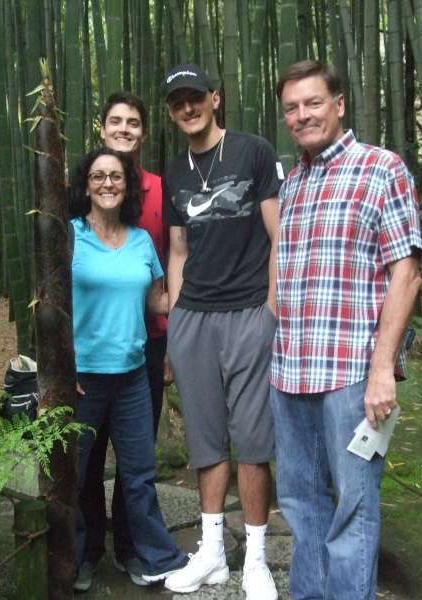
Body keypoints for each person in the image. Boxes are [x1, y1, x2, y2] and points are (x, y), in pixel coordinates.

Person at [270, 59, 422, 600]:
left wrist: (383, 369)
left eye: (313, 103)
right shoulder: (292, 183)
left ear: (338, 104)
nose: (302, 115)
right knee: (301, 508)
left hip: (350, 378)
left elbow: (405, 270)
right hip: (290, 373)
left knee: (352, 511)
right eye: (291, 107)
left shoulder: (381, 168)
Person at [160, 64, 282, 600]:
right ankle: (211, 553)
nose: (187, 108)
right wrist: (175, 321)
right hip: (194, 318)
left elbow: (280, 234)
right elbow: (179, 250)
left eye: (195, 98)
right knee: (206, 437)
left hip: (249, 312)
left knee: (253, 440)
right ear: (171, 111)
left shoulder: (254, 152)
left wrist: (273, 309)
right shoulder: (174, 170)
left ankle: (256, 558)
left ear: (216, 98)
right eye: (177, 102)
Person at [70, 147, 186, 590]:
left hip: (134, 374)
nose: (107, 183)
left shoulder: (140, 239)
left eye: (115, 176)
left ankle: (152, 554)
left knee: (138, 474)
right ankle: (77, 556)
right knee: (77, 475)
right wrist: (60, 371)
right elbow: (50, 306)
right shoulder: (70, 236)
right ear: (86, 185)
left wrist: (204, 293)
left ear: (127, 185)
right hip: (83, 379)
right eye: (98, 176)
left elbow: (159, 299)